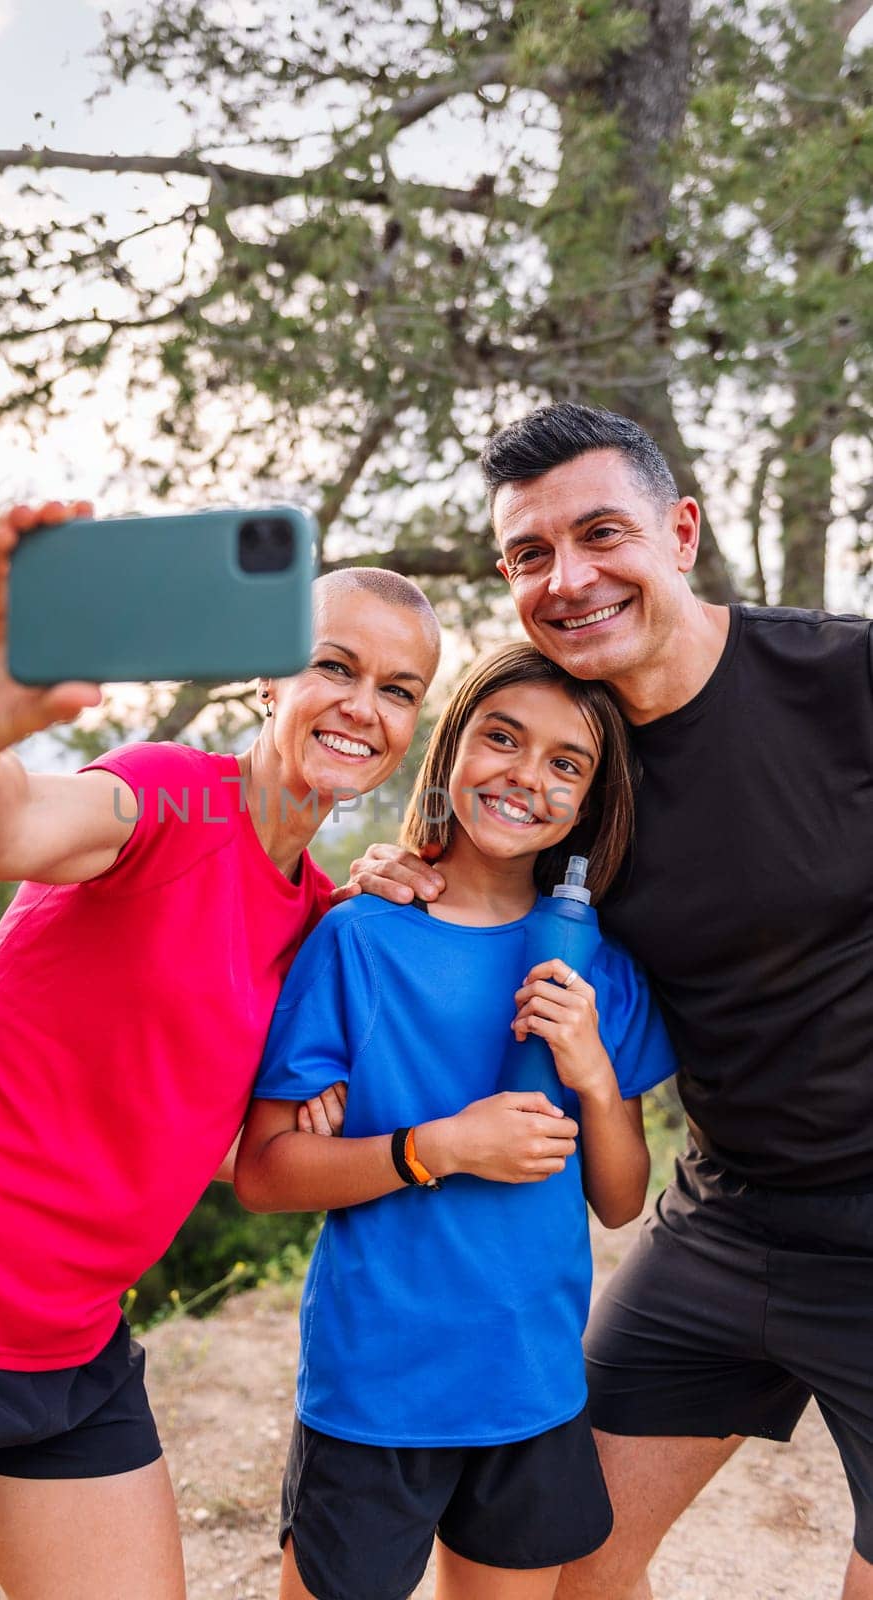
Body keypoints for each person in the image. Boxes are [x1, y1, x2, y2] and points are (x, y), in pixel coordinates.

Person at [0, 499, 442, 1600]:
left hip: (64, 1349)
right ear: (267, 680)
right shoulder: (166, 797)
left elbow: (241, 1161)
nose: (361, 706)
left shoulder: (321, 922)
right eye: (333, 665)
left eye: (397, 690)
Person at [346, 404, 873, 1600]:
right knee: (564, 1562)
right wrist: (403, 862)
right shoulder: (577, 759)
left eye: (599, 534)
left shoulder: (843, 680)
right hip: (730, 1218)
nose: (568, 578)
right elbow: (480, 857)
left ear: (678, 532)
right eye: (530, 554)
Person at [235, 641, 677, 1600]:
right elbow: (264, 1173)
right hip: (373, 1386)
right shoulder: (359, 936)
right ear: (449, 749)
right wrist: (441, 1147)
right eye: (501, 738)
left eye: (567, 763)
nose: (526, 776)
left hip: (530, 1385)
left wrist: (594, 1078)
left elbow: (617, 1200)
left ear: (592, 800)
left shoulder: (600, 965)